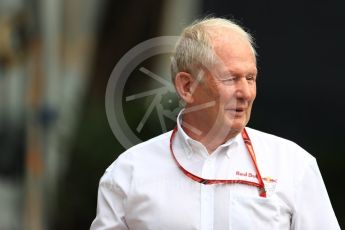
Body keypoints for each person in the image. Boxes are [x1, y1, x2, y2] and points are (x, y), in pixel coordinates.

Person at [90, 17, 340, 230]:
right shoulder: (126, 173)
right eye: (231, 78)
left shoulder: (294, 165)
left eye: (250, 78)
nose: (246, 93)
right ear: (187, 87)